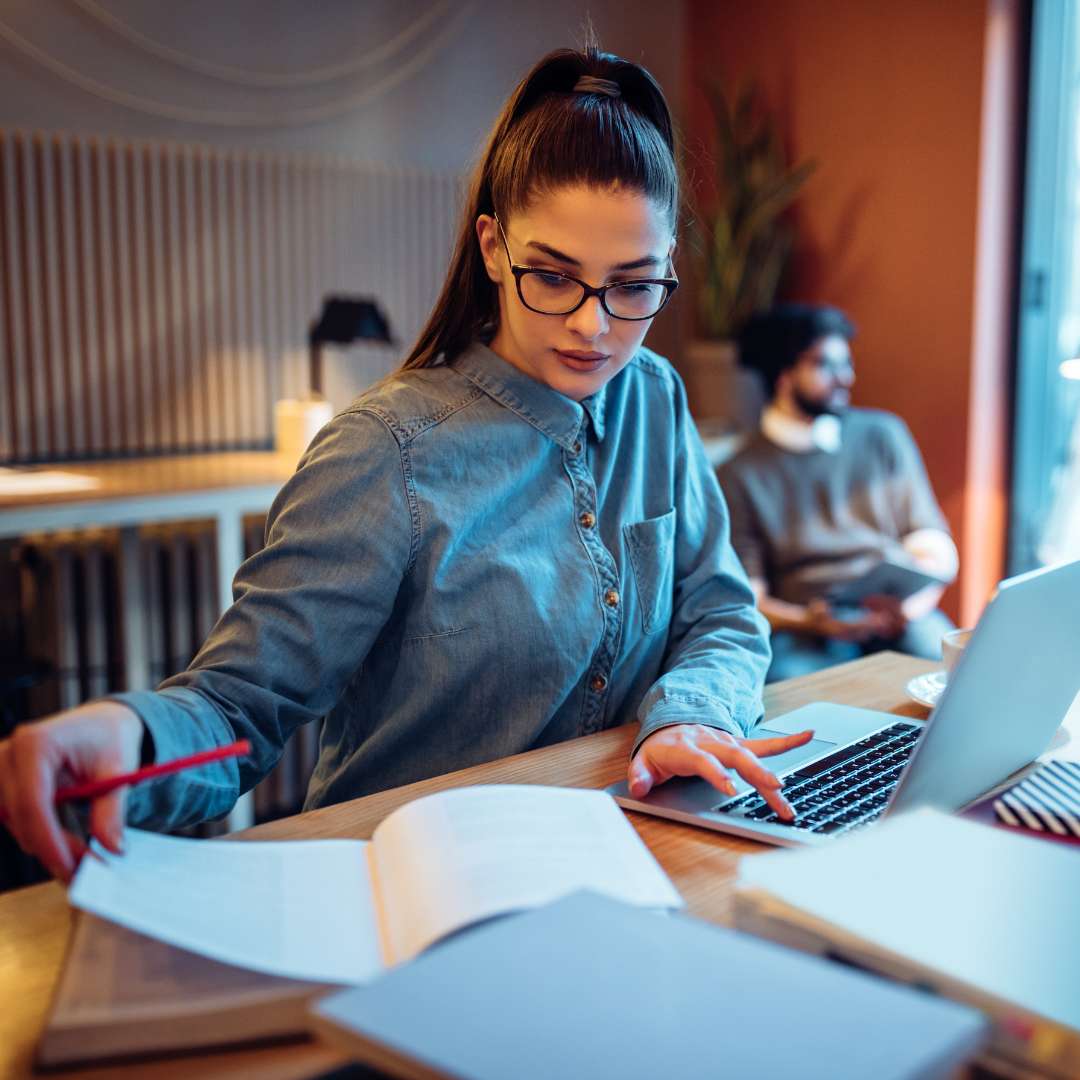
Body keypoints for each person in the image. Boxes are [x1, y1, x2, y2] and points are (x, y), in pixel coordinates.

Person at [0, 46, 813, 884]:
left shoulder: (655, 397)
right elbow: (239, 704)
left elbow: (720, 613)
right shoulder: (386, 450)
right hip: (405, 885)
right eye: (553, 276)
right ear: (494, 247)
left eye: (633, 286)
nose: (593, 327)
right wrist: (127, 734)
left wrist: (689, 719)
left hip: (618, 858)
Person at [717, 304, 958, 682]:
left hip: (897, 613)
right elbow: (750, 598)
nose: (846, 378)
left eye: (846, 363)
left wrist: (910, 608)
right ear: (782, 374)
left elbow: (933, 543)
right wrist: (812, 622)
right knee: (793, 688)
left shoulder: (882, 435)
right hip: (807, 629)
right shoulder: (738, 473)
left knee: (948, 671)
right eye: (825, 365)